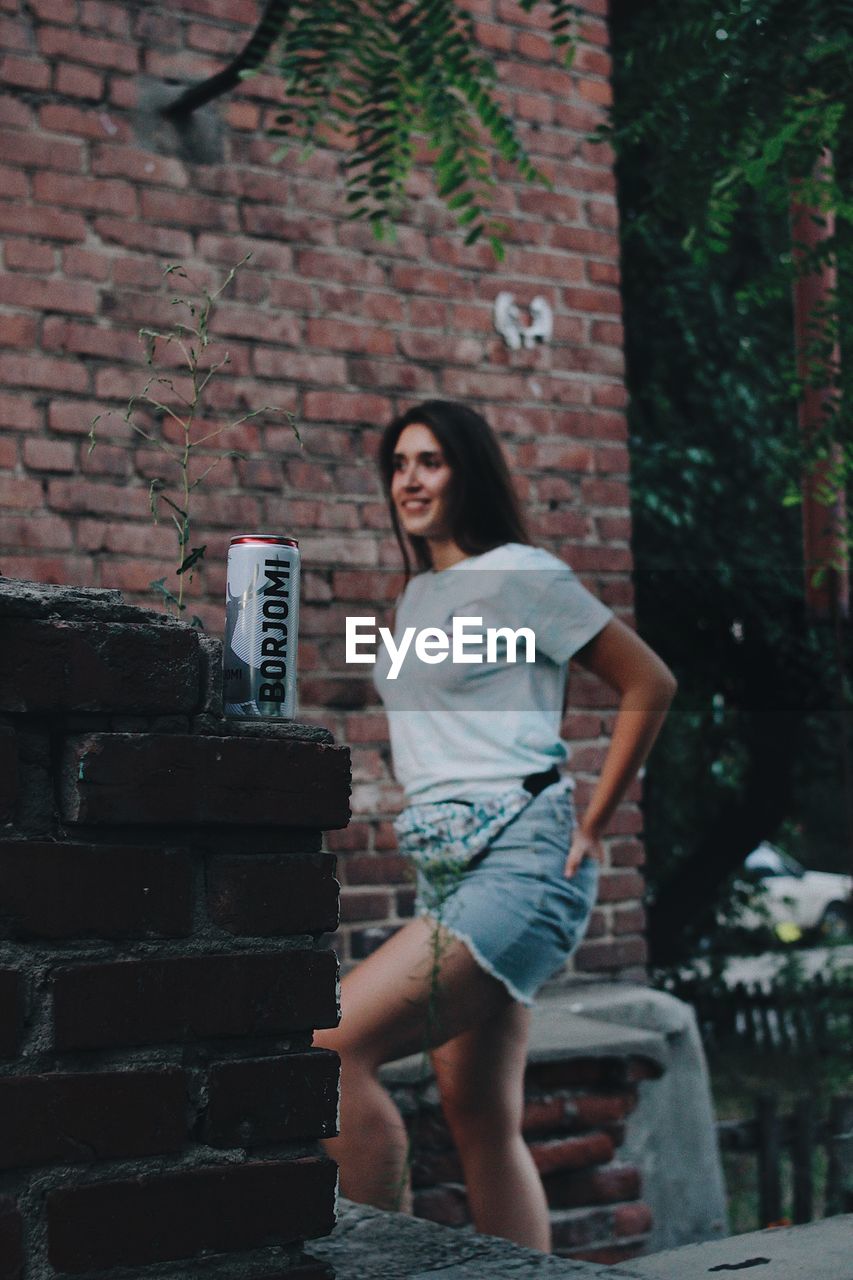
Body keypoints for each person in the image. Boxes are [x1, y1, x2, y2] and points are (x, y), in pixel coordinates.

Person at [314, 400, 676, 1251]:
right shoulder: (413, 600)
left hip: (521, 856)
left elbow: (647, 682)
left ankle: (377, 1268)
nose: (409, 479)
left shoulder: (522, 574)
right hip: (445, 870)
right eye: (398, 464)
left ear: (466, 471)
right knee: (477, 1115)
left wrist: (595, 817)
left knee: (324, 1050)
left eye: (430, 461)